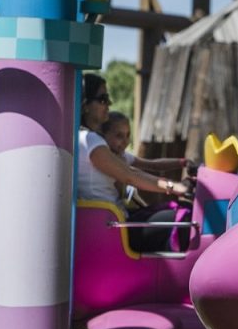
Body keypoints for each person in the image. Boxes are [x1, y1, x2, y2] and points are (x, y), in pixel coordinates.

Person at [77, 73, 191, 252]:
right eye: (103, 99)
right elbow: (130, 175)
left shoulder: (82, 139)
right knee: (187, 220)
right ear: (85, 106)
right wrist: (175, 187)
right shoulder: (90, 141)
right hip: (112, 230)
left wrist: (181, 165)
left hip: (109, 224)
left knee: (177, 213)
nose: (109, 105)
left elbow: (140, 168)